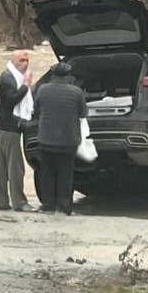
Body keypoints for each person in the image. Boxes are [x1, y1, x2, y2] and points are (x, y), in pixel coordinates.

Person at [33, 61, 87, 215]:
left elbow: (36, 111)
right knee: (66, 174)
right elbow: (83, 113)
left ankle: (48, 206)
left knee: (47, 174)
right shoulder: (76, 92)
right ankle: (64, 207)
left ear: (53, 75)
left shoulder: (42, 89)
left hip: (46, 139)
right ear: (68, 76)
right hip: (68, 141)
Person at [0, 49, 34, 212]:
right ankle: (19, 203)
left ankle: (2, 202)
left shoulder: (13, 76)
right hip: (9, 128)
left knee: (2, 166)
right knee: (15, 167)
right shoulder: (7, 78)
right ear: (13, 62)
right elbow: (10, 101)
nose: (25, 64)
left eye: (27, 60)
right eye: (21, 61)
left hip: (4, 126)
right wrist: (25, 86)